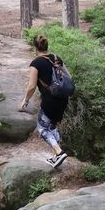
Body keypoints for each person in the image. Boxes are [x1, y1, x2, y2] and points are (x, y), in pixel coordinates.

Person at [19, 35, 69, 168]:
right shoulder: (56, 58)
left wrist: (25, 100)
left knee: (42, 129)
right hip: (63, 99)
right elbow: (69, 76)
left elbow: (31, 86)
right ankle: (55, 156)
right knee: (52, 126)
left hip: (49, 101)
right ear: (47, 46)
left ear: (35, 48)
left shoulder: (35, 63)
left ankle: (59, 153)